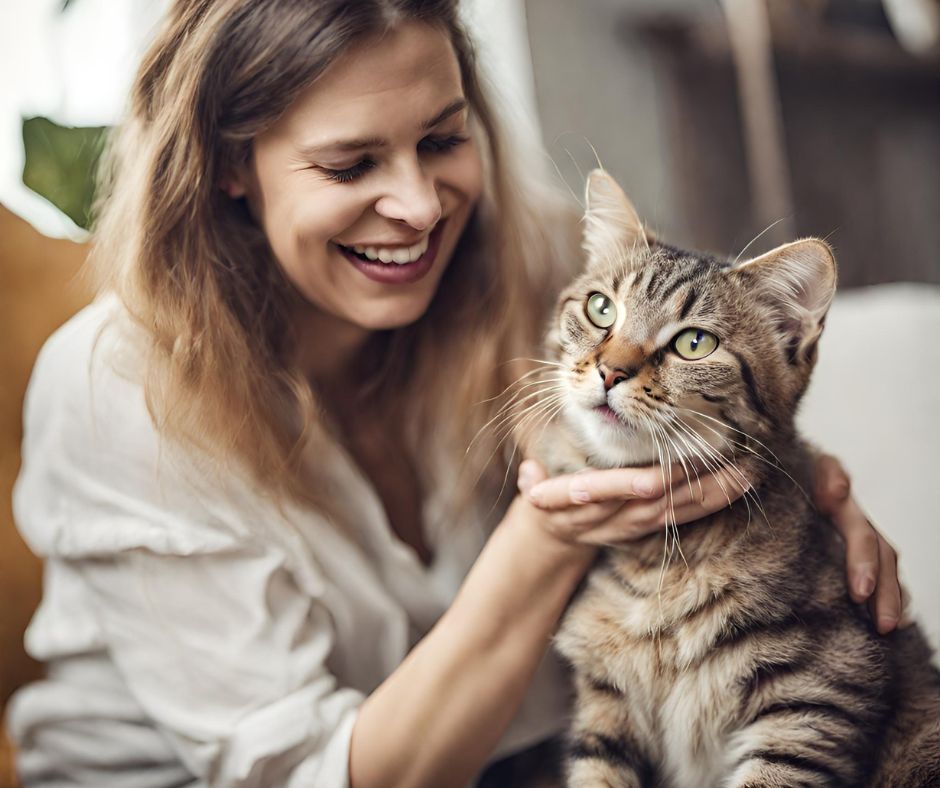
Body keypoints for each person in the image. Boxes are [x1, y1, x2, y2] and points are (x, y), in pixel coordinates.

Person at [6, 1, 904, 786]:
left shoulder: (548, 266)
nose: (422, 206)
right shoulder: (112, 387)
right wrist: (547, 537)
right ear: (229, 165)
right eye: (351, 165)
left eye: (441, 139)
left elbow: (729, 364)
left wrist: (803, 503)